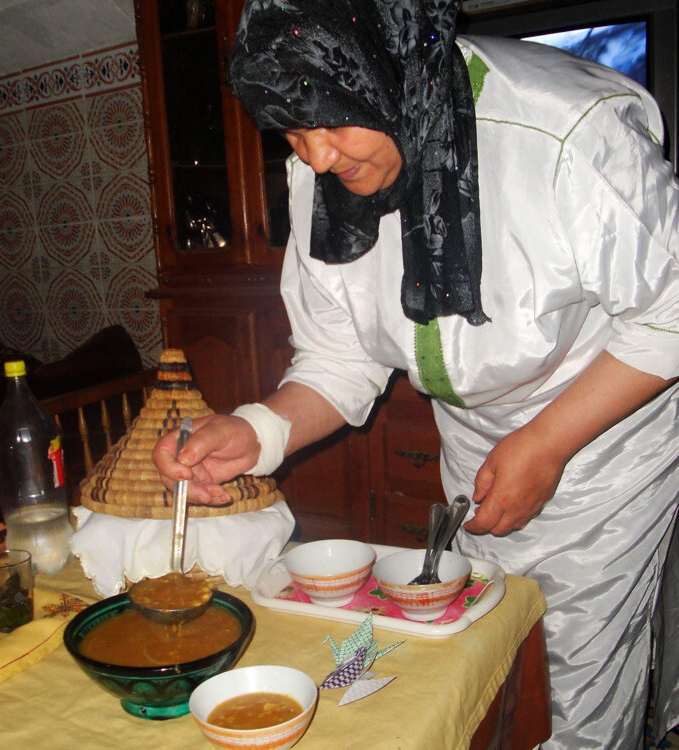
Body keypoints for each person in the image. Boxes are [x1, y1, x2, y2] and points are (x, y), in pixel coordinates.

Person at [152, 1, 679, 747]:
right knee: (489, 649)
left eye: (331, 120)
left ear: (391, 72)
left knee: (574, 671)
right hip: (476, 439)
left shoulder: (563, 133)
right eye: (292, 132)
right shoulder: (322, 169)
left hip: (604, 429)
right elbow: (340, 356)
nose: (316, 157)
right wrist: (257, 430)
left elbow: (670, 310)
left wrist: (549, 443)